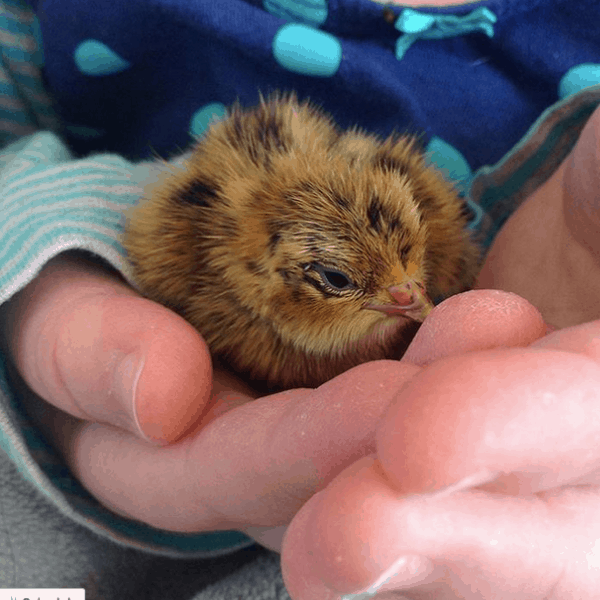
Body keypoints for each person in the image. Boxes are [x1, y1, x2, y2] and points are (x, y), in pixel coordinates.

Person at [1, 0, 600, 598]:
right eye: (341, 283)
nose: (407, 293)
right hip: (118, 462)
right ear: (261, 278)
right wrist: (53, 248)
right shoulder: (49, 24)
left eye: (408, 264)